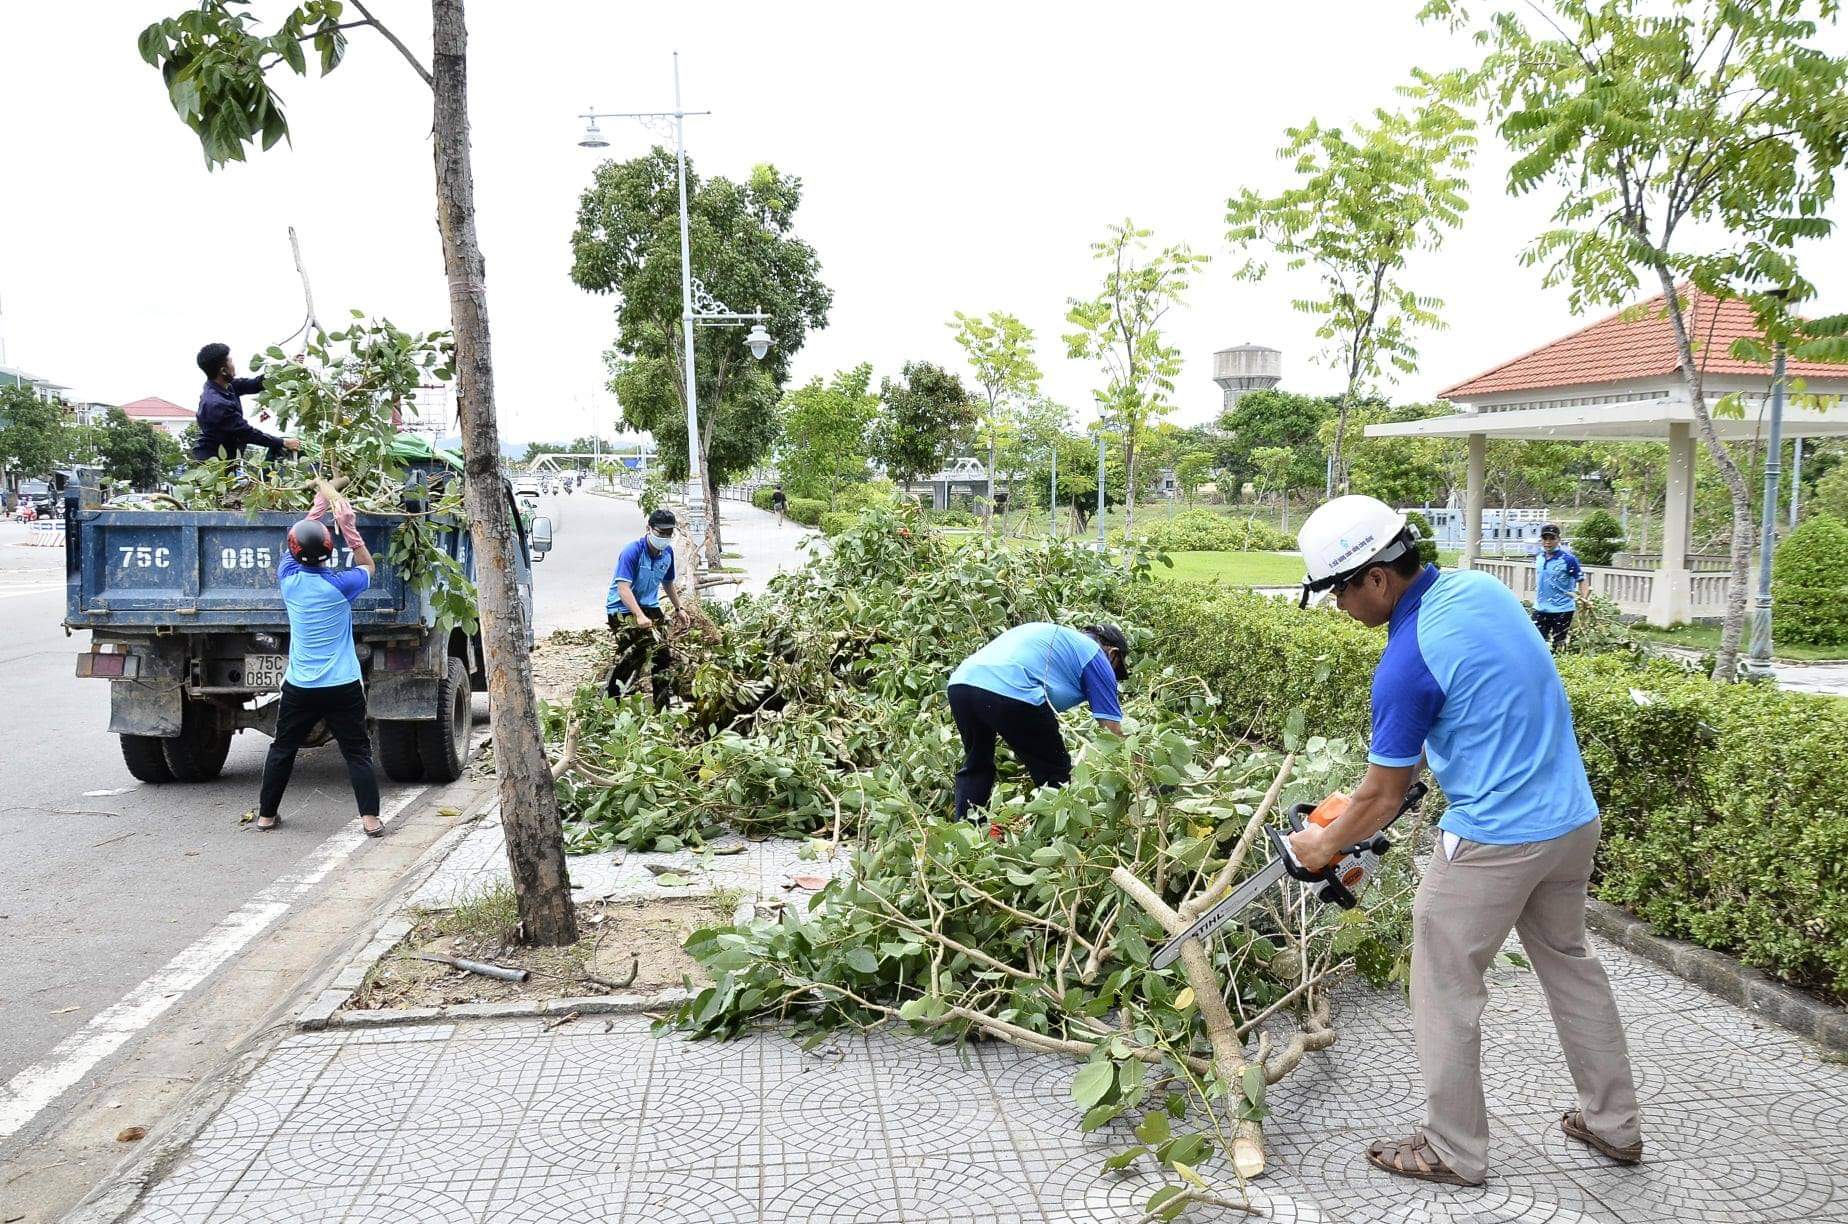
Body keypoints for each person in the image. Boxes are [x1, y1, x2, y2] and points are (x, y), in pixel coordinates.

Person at [1287, 495, 1641, 1188]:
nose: (1339, 607)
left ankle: (1452, 1146)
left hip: (1496, 840)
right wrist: (1364, 809)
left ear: (1377, 580)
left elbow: (1382, 796)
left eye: (1338, 592)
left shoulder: (1405, 661)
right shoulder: (1481, 589)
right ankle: (1614, 1123)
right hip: (1571, 819)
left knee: (1443, 981)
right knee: (1570, 965)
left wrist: (1321, 847)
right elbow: (1483, 703)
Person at [256, 493, 382, 836]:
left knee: (282, 748)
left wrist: (317, 509)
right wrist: (350, 530)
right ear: (329, 550)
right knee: (357, 752)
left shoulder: (289, 580)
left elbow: (294, 546)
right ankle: (370, 820)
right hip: (343, 686)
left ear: (295, 553)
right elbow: (368, 566)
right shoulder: (342, 586)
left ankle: (266, 815)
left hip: (300, 687)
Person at [945, 622, 1127, 827]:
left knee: (977, 764)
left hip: (961, 685)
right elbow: (1112, 732)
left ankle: (966, 836)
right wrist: (1140, 774)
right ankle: (1060, 840)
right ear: (1112, 653)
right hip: (1013, 690)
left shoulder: (1057, 638)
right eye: (1117, 671)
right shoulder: (1095, 655)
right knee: (1055, 774)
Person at [606, 507, 688, 709]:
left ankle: (662, 708)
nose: (666, 537)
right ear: (649, 529)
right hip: (621, 608)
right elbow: (623, 588)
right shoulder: (632, 551)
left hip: (650, 605)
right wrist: (639, 616)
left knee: (663, 654)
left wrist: (679, 608)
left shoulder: (667, 552)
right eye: (661, 533)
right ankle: (610, 702)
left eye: (669, 533)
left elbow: (668, 583)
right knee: (635, 653)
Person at [193, 342, 301, 463]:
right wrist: (283, 443)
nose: (234, 365)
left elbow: (256, 383)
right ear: (223, 371)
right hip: (213, 463)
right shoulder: (216, 403)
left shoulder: (227, 386)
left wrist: (288, 368)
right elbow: (246, 433)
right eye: (231, 361)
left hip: (227, 460)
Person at [1532, 522, 1588, 652]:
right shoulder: (1539, 557)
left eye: (1552, 538)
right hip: (1540, 608)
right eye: (1545, 538)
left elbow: (1581, 580)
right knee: (1536, 643)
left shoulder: (1568, 559)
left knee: (1559, 644)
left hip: (1562, 609)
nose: (1548, 542)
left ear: (1558, 540)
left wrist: (1584, 599)